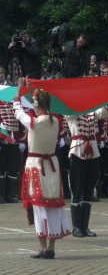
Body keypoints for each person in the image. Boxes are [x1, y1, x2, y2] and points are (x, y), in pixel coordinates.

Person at [14, 78, 71, 259]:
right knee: (53, 204)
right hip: (52, 166)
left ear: (36, 104)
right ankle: (51, 247)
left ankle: (42, 248)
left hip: (37, 166)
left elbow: (18, 112)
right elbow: (40, 111)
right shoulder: (55, 120)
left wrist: (18, 92)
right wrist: (33, 93)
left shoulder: (34, 122)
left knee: (39, 206)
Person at [65, 105, 108, 237]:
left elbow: (103, 113)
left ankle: (85, 226)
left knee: (89, 189)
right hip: (78, 150)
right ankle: (76, 226)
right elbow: (70, 113)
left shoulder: (92, 110)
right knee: (77, 189)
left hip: (92, 151)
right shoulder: (71, 110)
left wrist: (107, 101)